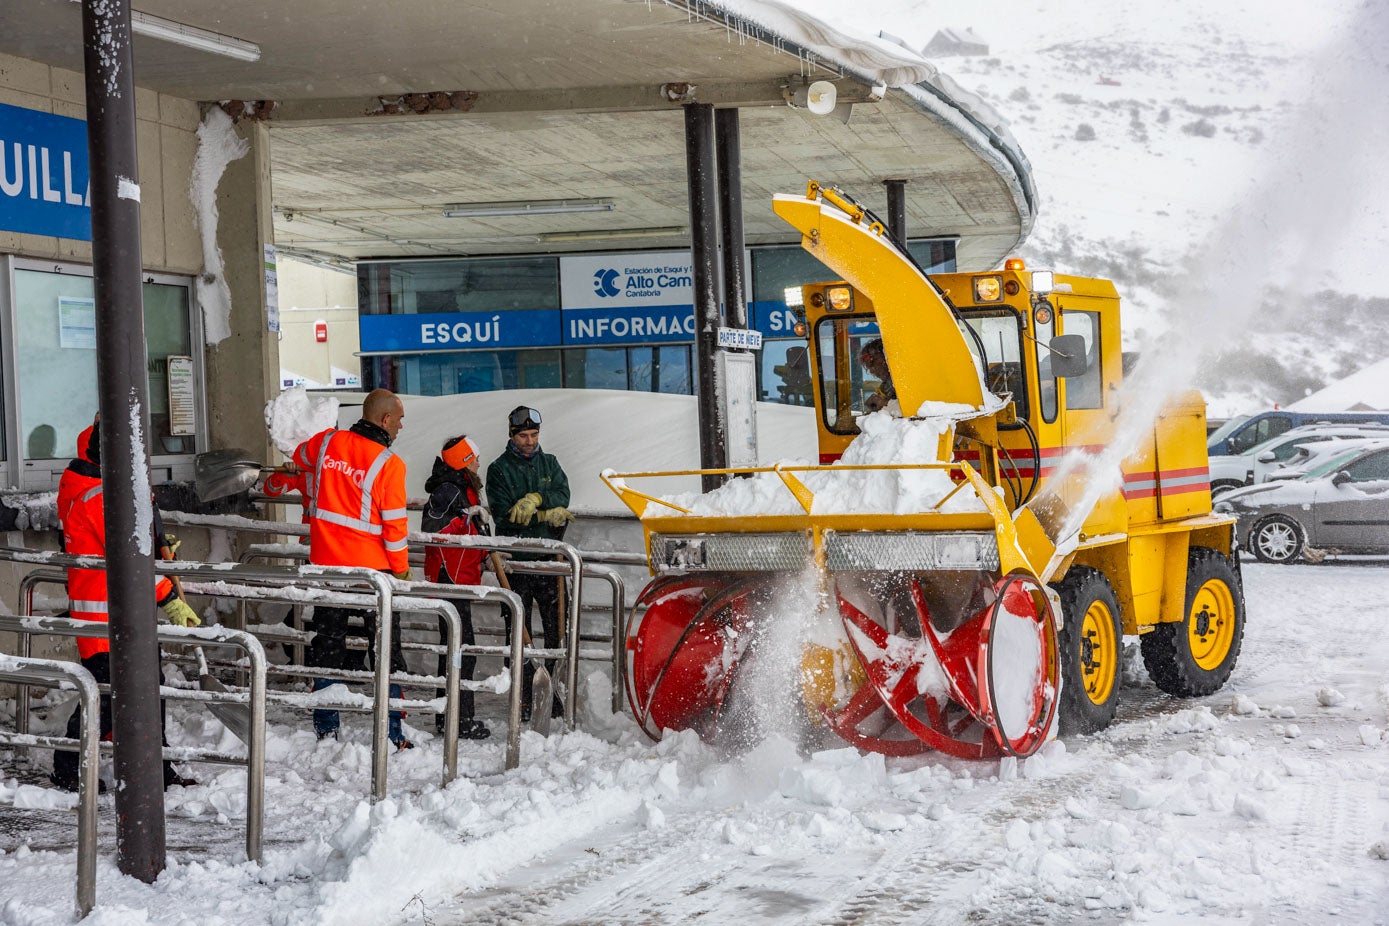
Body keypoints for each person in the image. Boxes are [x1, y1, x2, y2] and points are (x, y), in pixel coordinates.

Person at [51, 421, 201, 792]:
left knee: (137, 688)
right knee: (108, 695)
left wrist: (151, 542)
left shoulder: (83, 487)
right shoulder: (102, 498)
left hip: (108, 611)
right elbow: (132, 565)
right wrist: (169, 598)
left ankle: (150, 766)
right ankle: (71, 767)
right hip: (110, 614)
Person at [291, 389, 413, 747]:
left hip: (328, 568)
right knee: (386, 651)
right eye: (400, 419)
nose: (402, 426)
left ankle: (326, 728)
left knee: (328, 645)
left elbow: (300, 456)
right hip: (373, 576)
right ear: (385, 419)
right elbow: (394, 529)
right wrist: (402, 570)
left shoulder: (328, 442)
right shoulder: (389, 465)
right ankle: (391, 732)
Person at [485, 406, 572, 720]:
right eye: (523, 435)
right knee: (518, 632)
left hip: (549, 563)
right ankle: (524, 696)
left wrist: (537, 500)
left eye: (534, 435)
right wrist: (545, 512)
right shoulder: (498, 470)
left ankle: (548, 690)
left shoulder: (550, 463)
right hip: (515, 565)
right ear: (512, 435)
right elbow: (505, 514)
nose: (529, 441)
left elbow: (563, 493)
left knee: (554, 629)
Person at [421, 435, 492, 740]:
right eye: (474, 457)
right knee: (459, 652)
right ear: (464, 461)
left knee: (454, 650)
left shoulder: (463, 487)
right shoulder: (449, 489)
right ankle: (457, 720)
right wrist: (464, 519)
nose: (478, 462)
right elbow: (432, 527)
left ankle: (448, 716)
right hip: (450, 577)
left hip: (461, 574)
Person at [860, 338, 896, 412]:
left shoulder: (902, 381)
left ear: (885, 358)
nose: (872, 370)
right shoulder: (885, 386)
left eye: (873, 362)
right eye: (868, 367)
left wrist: (885, 404)